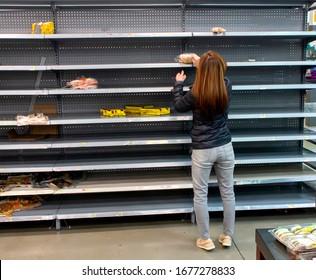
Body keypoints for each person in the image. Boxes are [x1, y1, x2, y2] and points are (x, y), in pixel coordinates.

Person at [173, 50, 235, 251]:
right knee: (228, 192)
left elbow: (179, 106)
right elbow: (218, 75)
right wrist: (206, 64)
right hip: (225, 147)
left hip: (203, 149)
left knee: (200, 194)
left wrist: (178, 84)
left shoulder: (195, 92)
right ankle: (227, 236)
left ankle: (205, 239)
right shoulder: (226, 85)